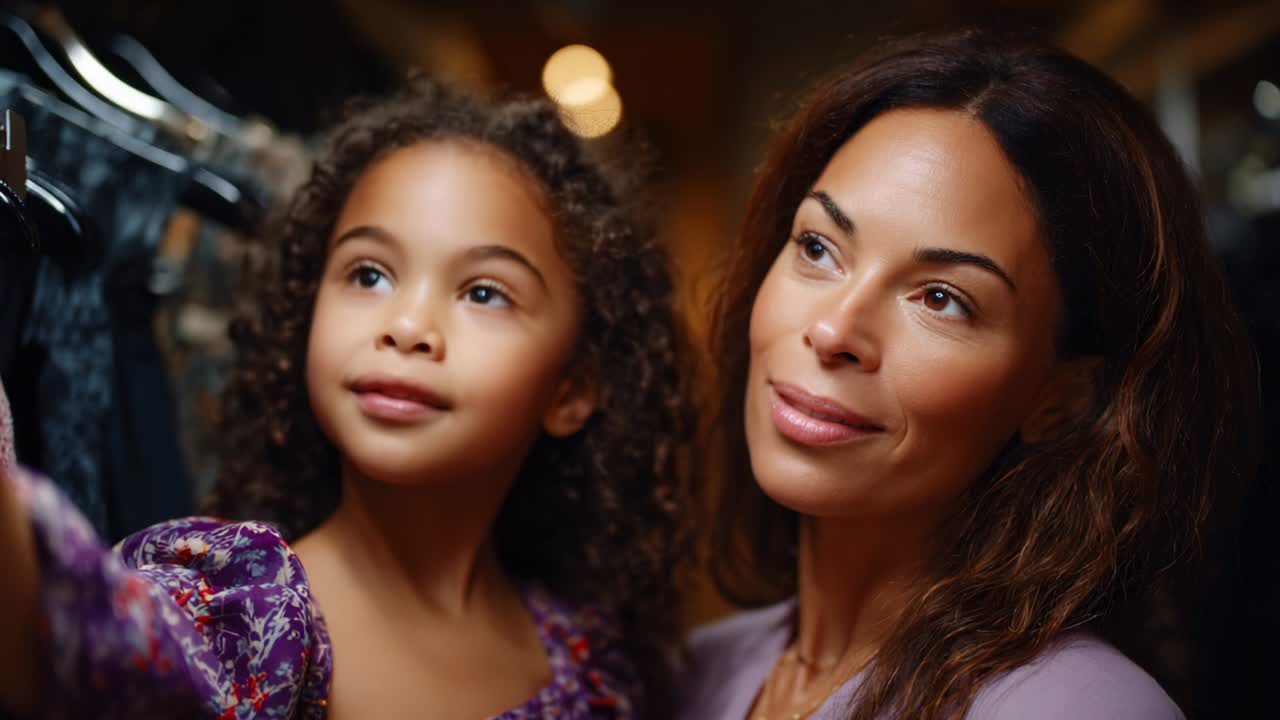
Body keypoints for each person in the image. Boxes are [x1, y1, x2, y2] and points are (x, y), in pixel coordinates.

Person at [0, 78, 693, 719]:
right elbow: (56, 637)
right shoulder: (243, 620)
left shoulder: (592, 659)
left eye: (484, 292)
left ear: (573, 390)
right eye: (369, 275)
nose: (408, 326)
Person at [680, 29, 1258, 720]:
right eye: (818, 247)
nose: (833, 331)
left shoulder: (1079, 708)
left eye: (941, 299)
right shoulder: (686, 673)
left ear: (1064, 397)